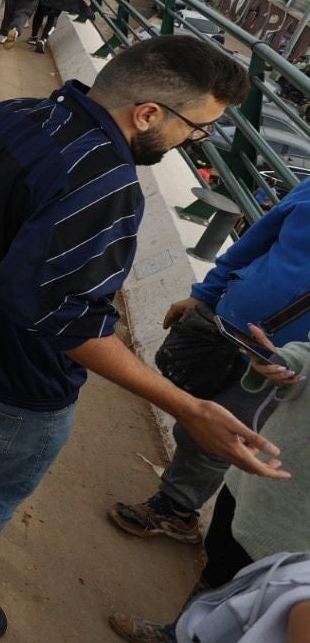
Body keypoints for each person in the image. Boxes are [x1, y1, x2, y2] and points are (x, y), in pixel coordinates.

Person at [0, 36, 277, 641]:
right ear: (149, 114)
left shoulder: (9, 115)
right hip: (9, 385)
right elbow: (62, 319)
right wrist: (186, 406)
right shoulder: (106, 185)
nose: (195, 140)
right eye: (198, 128)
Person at [110, 172, 310, 550]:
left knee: (219, 437)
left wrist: (299, 362)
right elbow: (256, 241)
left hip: (282, 368)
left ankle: (175, 509)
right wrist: (203, 295)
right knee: (193, 414)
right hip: (227, 324)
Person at [108, 322, 310, 643]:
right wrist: (283, 361)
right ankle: (180, 632)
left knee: (260, 607)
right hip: (258, 479)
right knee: (219, 563)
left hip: (297, 526)